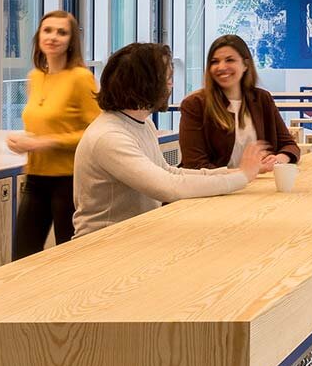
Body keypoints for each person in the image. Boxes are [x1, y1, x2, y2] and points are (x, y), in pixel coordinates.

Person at [74, 42, 277, 237]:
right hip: (104, 243)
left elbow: (168, 171)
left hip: (135, 234)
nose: (171, 84)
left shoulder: (142, 123)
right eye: (167, 77)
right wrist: (241, 178)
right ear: (145, 83)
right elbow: (168, 187)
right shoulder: (110, 137)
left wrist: (235, 172)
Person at [6, 9, 98, 259]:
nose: (53, 37)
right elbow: (42, 122)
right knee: (22, 256)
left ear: (71, 41)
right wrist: (24, 142)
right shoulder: (35, 77)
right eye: (47, 30)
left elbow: (96, 134)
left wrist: (49, 142)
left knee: (67, 257)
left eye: (62, 32)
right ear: (38, 37)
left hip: (68, 181)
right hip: (35, 177)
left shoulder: (81, 78)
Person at [179, 33, 302, 170]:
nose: (221, 67)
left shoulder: (262, 99)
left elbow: (289, 145)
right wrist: (246, 172)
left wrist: (278, 160)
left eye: (229, 60)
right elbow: (195, 165)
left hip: (259, 185)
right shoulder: (194, 104)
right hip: (215, 189)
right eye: (214, 62)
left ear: (245, 65)